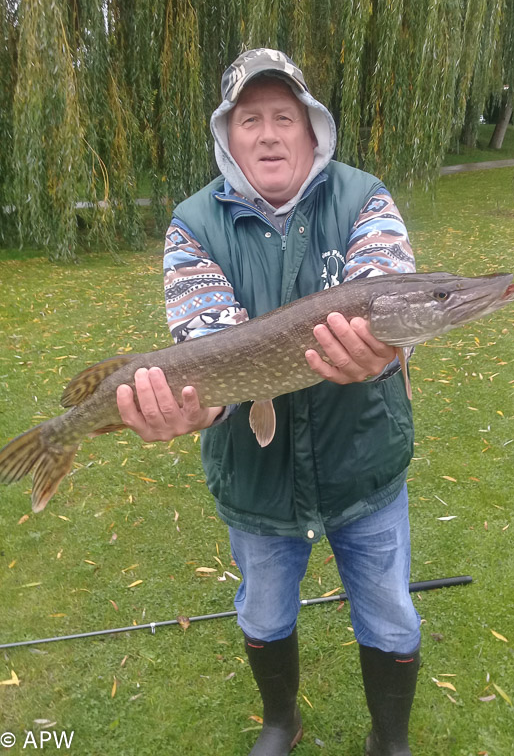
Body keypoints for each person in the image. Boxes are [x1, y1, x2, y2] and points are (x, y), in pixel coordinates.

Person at [116, 48, 421, 756]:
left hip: (363, 462)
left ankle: (392, 738)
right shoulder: (194, 225)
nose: (268, 133)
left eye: (284, 116)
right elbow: (208, 343)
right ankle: (281, 720)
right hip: (256, 483)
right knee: (263, 608)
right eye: (249, 119)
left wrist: (382, 353)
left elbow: (388, 282)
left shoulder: (364, 198)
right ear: (229, 138)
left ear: (313, 129)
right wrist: (198, 407)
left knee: (389, 610)